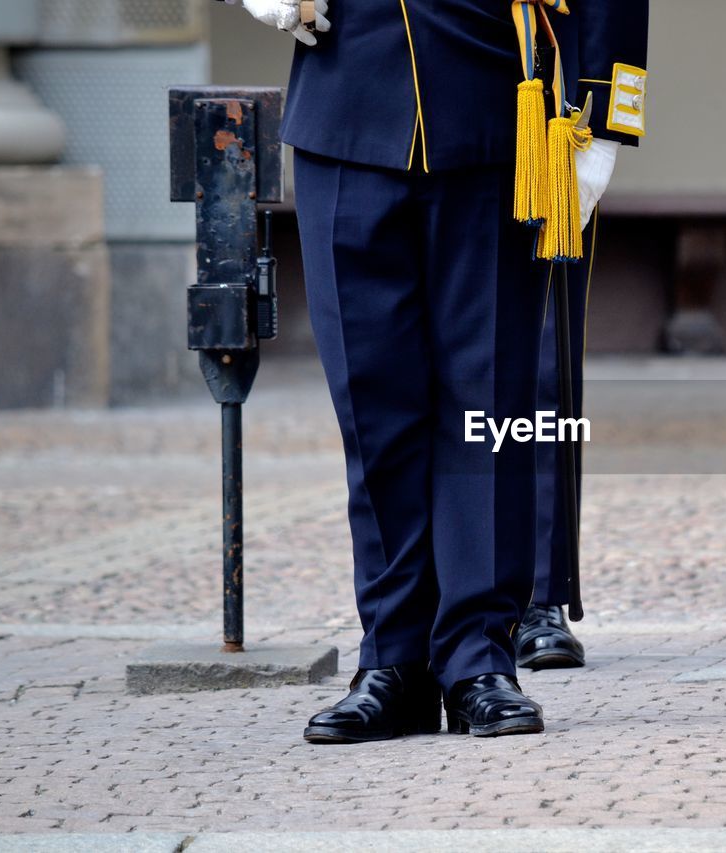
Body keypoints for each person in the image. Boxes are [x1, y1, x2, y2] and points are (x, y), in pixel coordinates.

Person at [220, 0, 648, 740]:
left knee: (488, 403)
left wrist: (603, 112)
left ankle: (479, 656)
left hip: (493, 107)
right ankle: (393, 662)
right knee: (373, 404)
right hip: (345, 102)